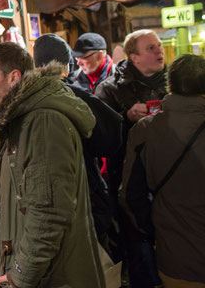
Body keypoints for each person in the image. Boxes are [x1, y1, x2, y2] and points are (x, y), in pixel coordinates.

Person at [0, 42, 104, 287]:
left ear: (13, 77)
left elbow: (50, 212)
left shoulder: (42, 121)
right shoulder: (22, 120)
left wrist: (22, 273)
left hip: (52, 275)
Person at [33, 34, 124, 260]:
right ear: (66, 65)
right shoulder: (75, 97)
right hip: (85, 197)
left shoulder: (24, 100)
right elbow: (111, 137)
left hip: (44, 209)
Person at [120, 54, 205, 288]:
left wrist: (152, 233)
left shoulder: (145, 130)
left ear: (170, 85)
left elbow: (131, 196)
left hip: (176, 258)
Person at [96, 29, 168, 288]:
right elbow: (98, 138)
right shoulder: (110, 89)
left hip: (172, 175)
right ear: (134, 57)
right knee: (139, 244)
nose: (159, 51)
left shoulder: (175, 83)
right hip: (130, 181)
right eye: (151, 48)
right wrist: (125, 118)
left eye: (159, 45)